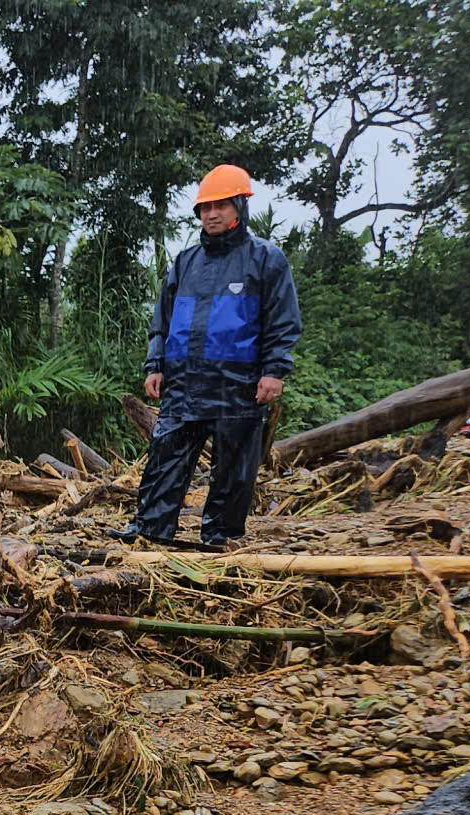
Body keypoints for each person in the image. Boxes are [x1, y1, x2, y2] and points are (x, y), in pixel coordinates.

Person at [119, 164, 302, 550]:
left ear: (239, 206)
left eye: (220, 205)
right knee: (165, 456)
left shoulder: (265, 259)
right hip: (185, 383)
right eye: (205, 208)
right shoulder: (186, 262)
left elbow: (282, 320)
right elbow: (163, 319)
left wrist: (274, 370)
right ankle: (150, 530)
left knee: (234, 468)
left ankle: (221, 536)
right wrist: (155, 364)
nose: (212, 214)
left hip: (239, 384)